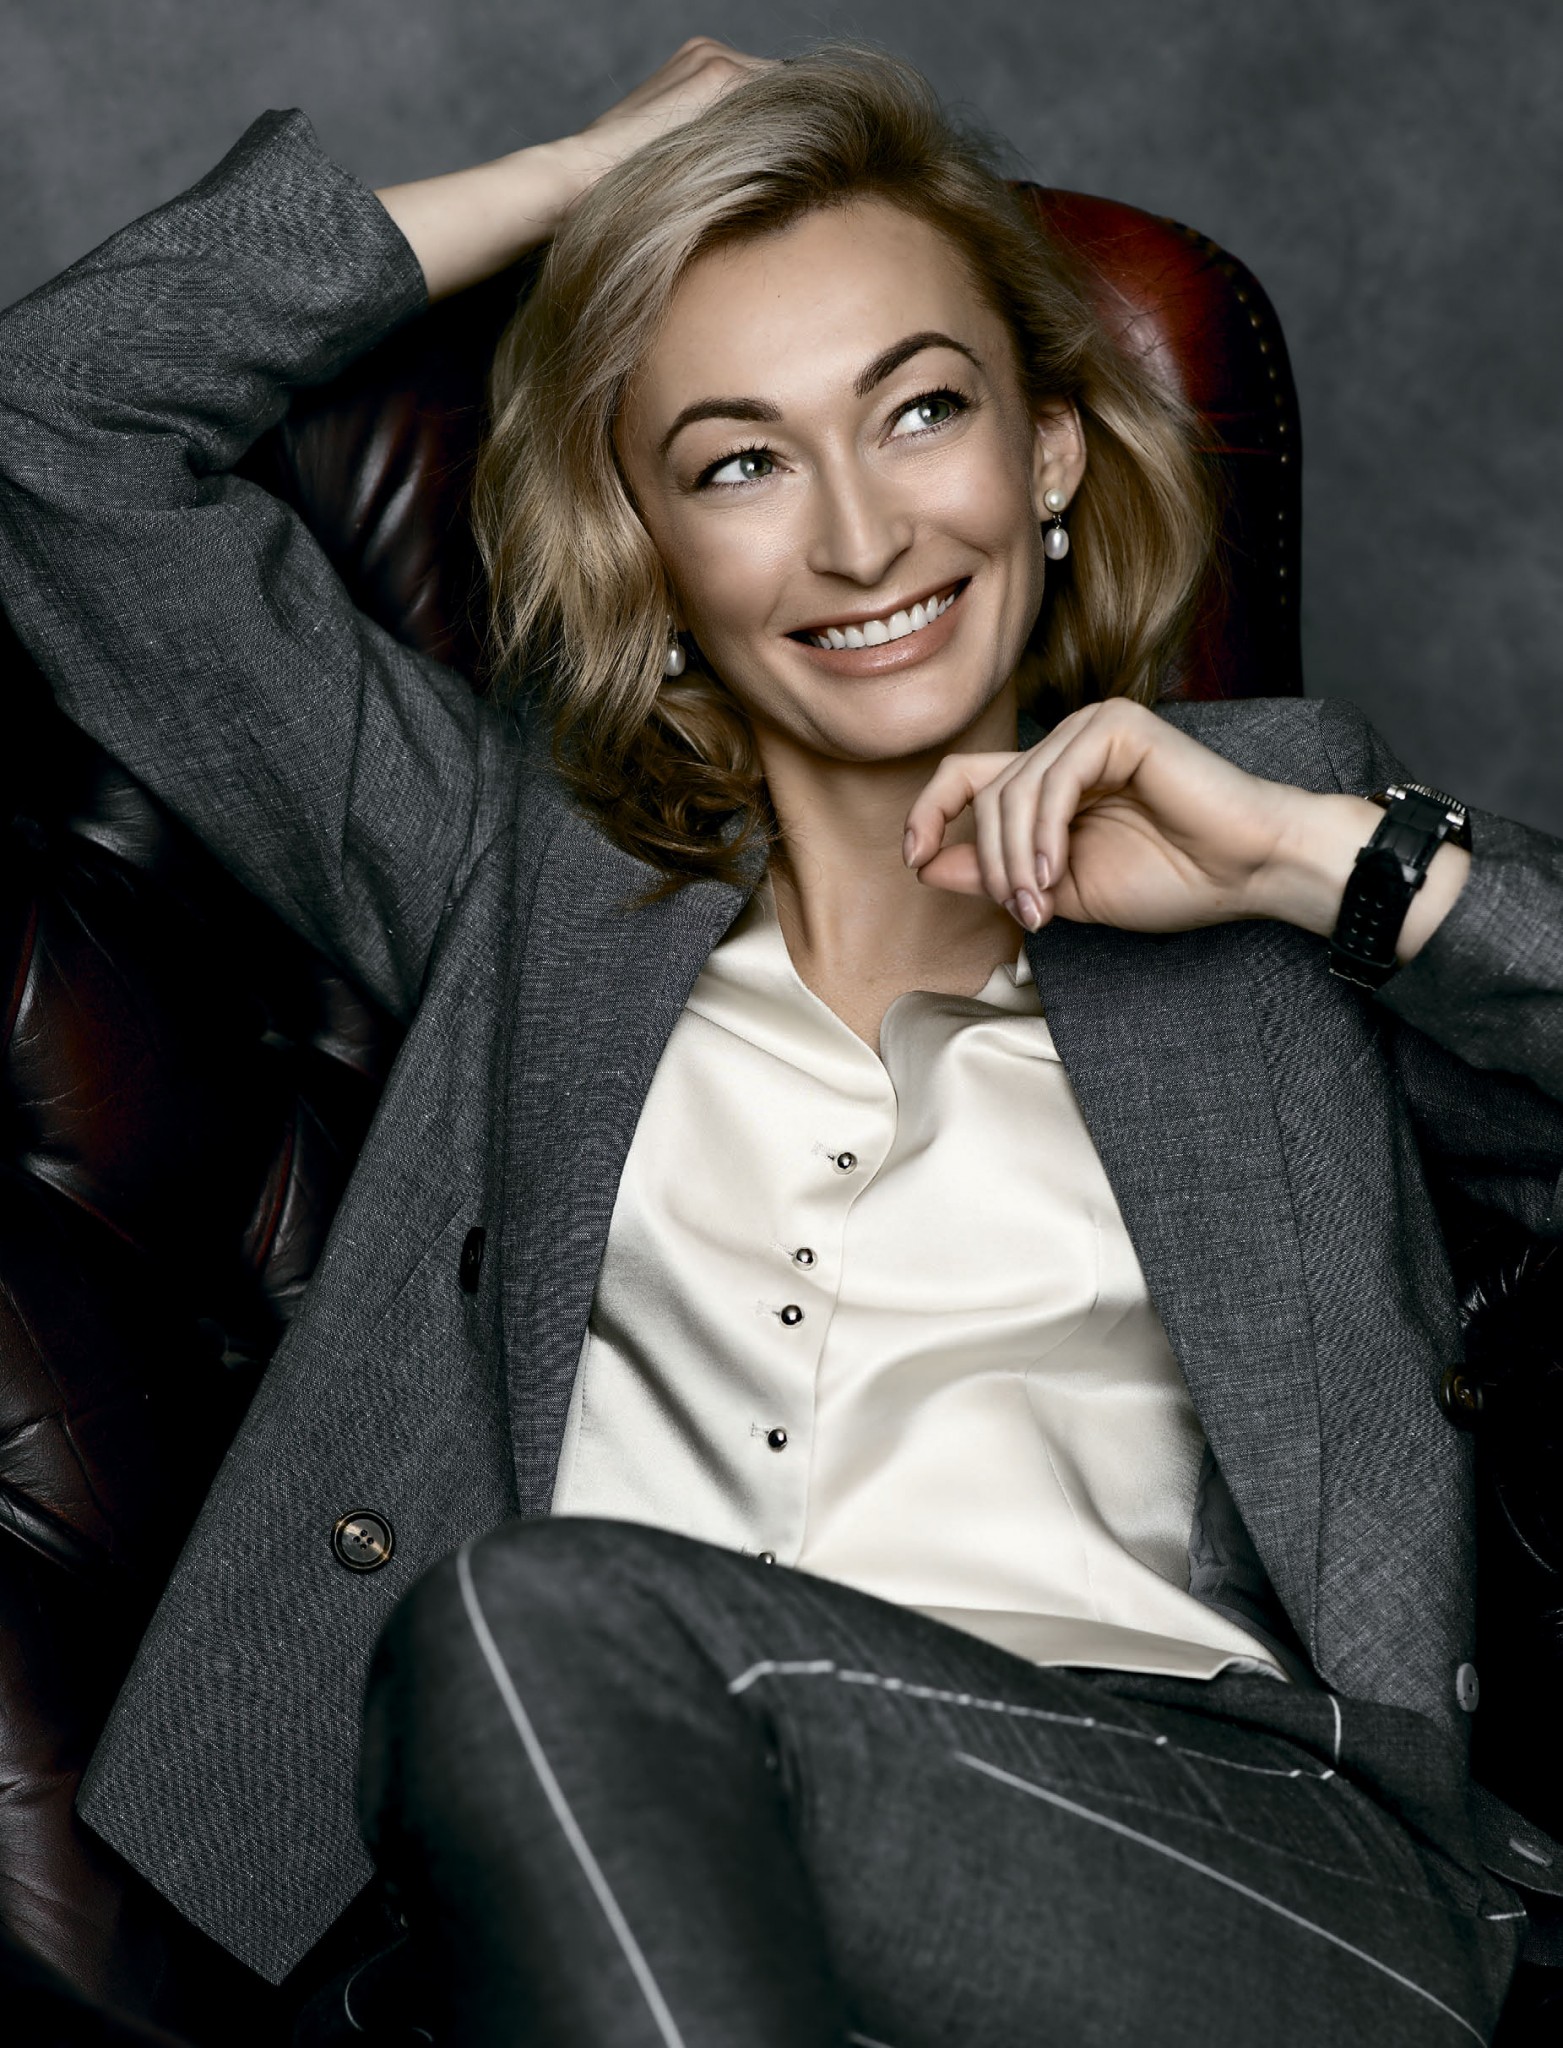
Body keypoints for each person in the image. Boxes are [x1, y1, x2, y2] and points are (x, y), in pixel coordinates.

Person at [1, 32, 1561, 2048]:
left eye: (920, 412)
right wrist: (584, 177)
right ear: (646, 546)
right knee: (561, 1674)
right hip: (600, 1841)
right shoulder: (515, 879)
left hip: (1223, 1866)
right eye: (739, 460)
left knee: (547, 1622)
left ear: (1050, 453)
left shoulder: (1262, 851)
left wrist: (1315, 865)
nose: (858, 537)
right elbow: (57, 424)